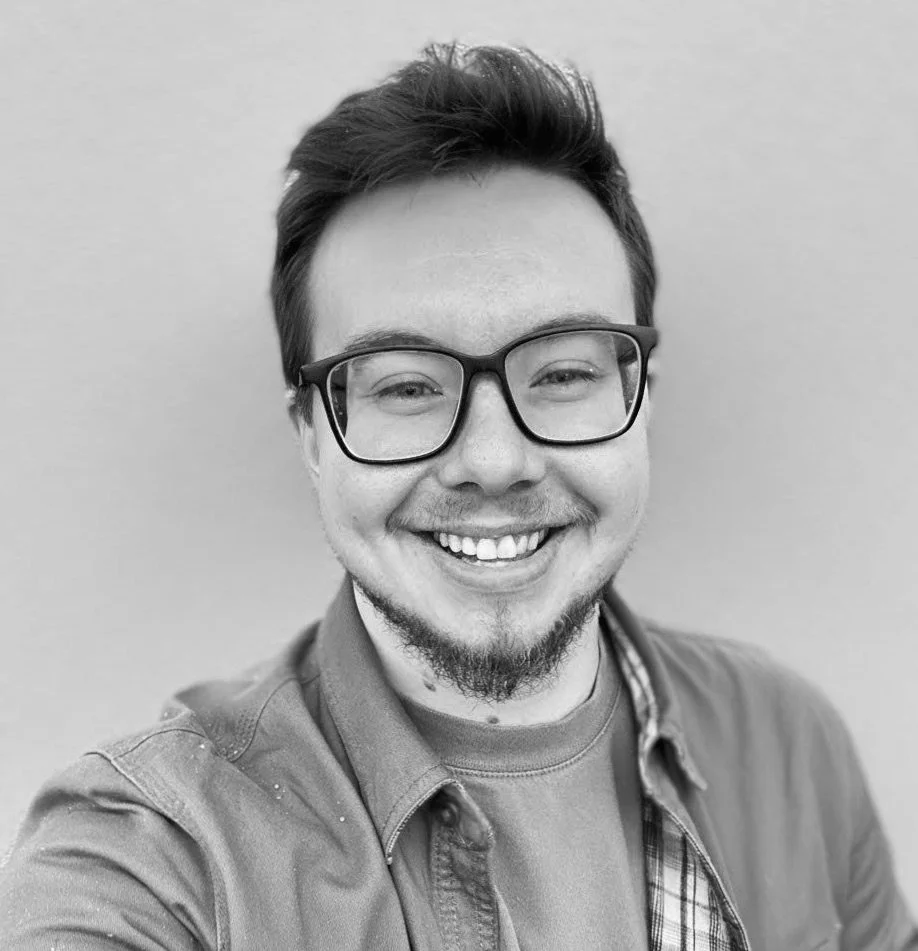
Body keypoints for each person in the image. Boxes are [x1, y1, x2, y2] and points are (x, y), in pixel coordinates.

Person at [0, 41, 914, 951]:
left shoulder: (790, 741)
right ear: (314, 436)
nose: (495, 459)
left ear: (639, 402)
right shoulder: (154, 856)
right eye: (406, 385)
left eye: (561, 373)